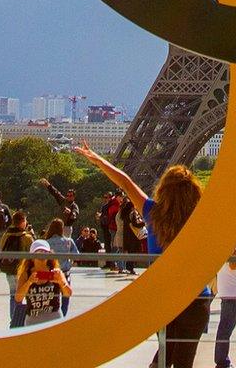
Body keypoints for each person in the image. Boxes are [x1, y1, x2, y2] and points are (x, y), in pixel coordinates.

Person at [75, 143, 212, 367]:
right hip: (197, 298)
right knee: (183, 361)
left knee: (164, 355)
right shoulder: (201, 219)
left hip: (163, 296)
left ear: (164, 189)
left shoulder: (152, 213)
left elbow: (125, 182)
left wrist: (98, 160)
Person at [13, 239, 70, 328]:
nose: (42, 255)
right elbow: (18, 298)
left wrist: (61, 282)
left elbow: (68, 293)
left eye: (45, 252)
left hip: (54, 320)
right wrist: (29, 282)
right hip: (32, 322)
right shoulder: (26, 274)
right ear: (32, 257)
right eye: (38, 252)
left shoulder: (56, 272)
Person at [211, 249, 236, 368]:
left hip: (229, 291)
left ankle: (222, 359)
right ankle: (222, 361)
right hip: (231, 293)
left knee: (225, 328)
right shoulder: (232, 246)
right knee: (226, 328)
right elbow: (233, 265)